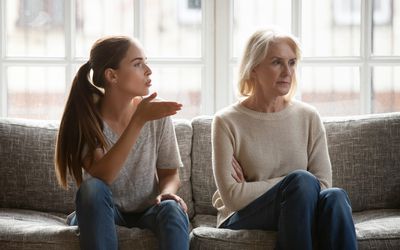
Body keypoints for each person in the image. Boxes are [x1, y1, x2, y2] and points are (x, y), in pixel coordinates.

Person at [211, 29, 357, 250]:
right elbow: (233, 197)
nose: (287, 72)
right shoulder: (226, 121)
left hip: (301, 209)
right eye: (277, 62)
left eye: (292, 62)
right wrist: (292, 184)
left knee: (335, 197)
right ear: (253, 68)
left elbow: (325, 184)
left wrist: (287, 186)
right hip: (244, 215)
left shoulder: (308, 116)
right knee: (302, 181)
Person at [54, 36, 189, 250]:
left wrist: (166, 193)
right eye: (137, 64)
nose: (148, 70)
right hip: (103, 210)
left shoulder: (157, 114)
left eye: (146, 62)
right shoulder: (86, 118)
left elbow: (170, 174)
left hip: (148, 211)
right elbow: (102, 176)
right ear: (112, 76)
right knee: (92, 189)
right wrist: (138, 120)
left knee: (172, 207)